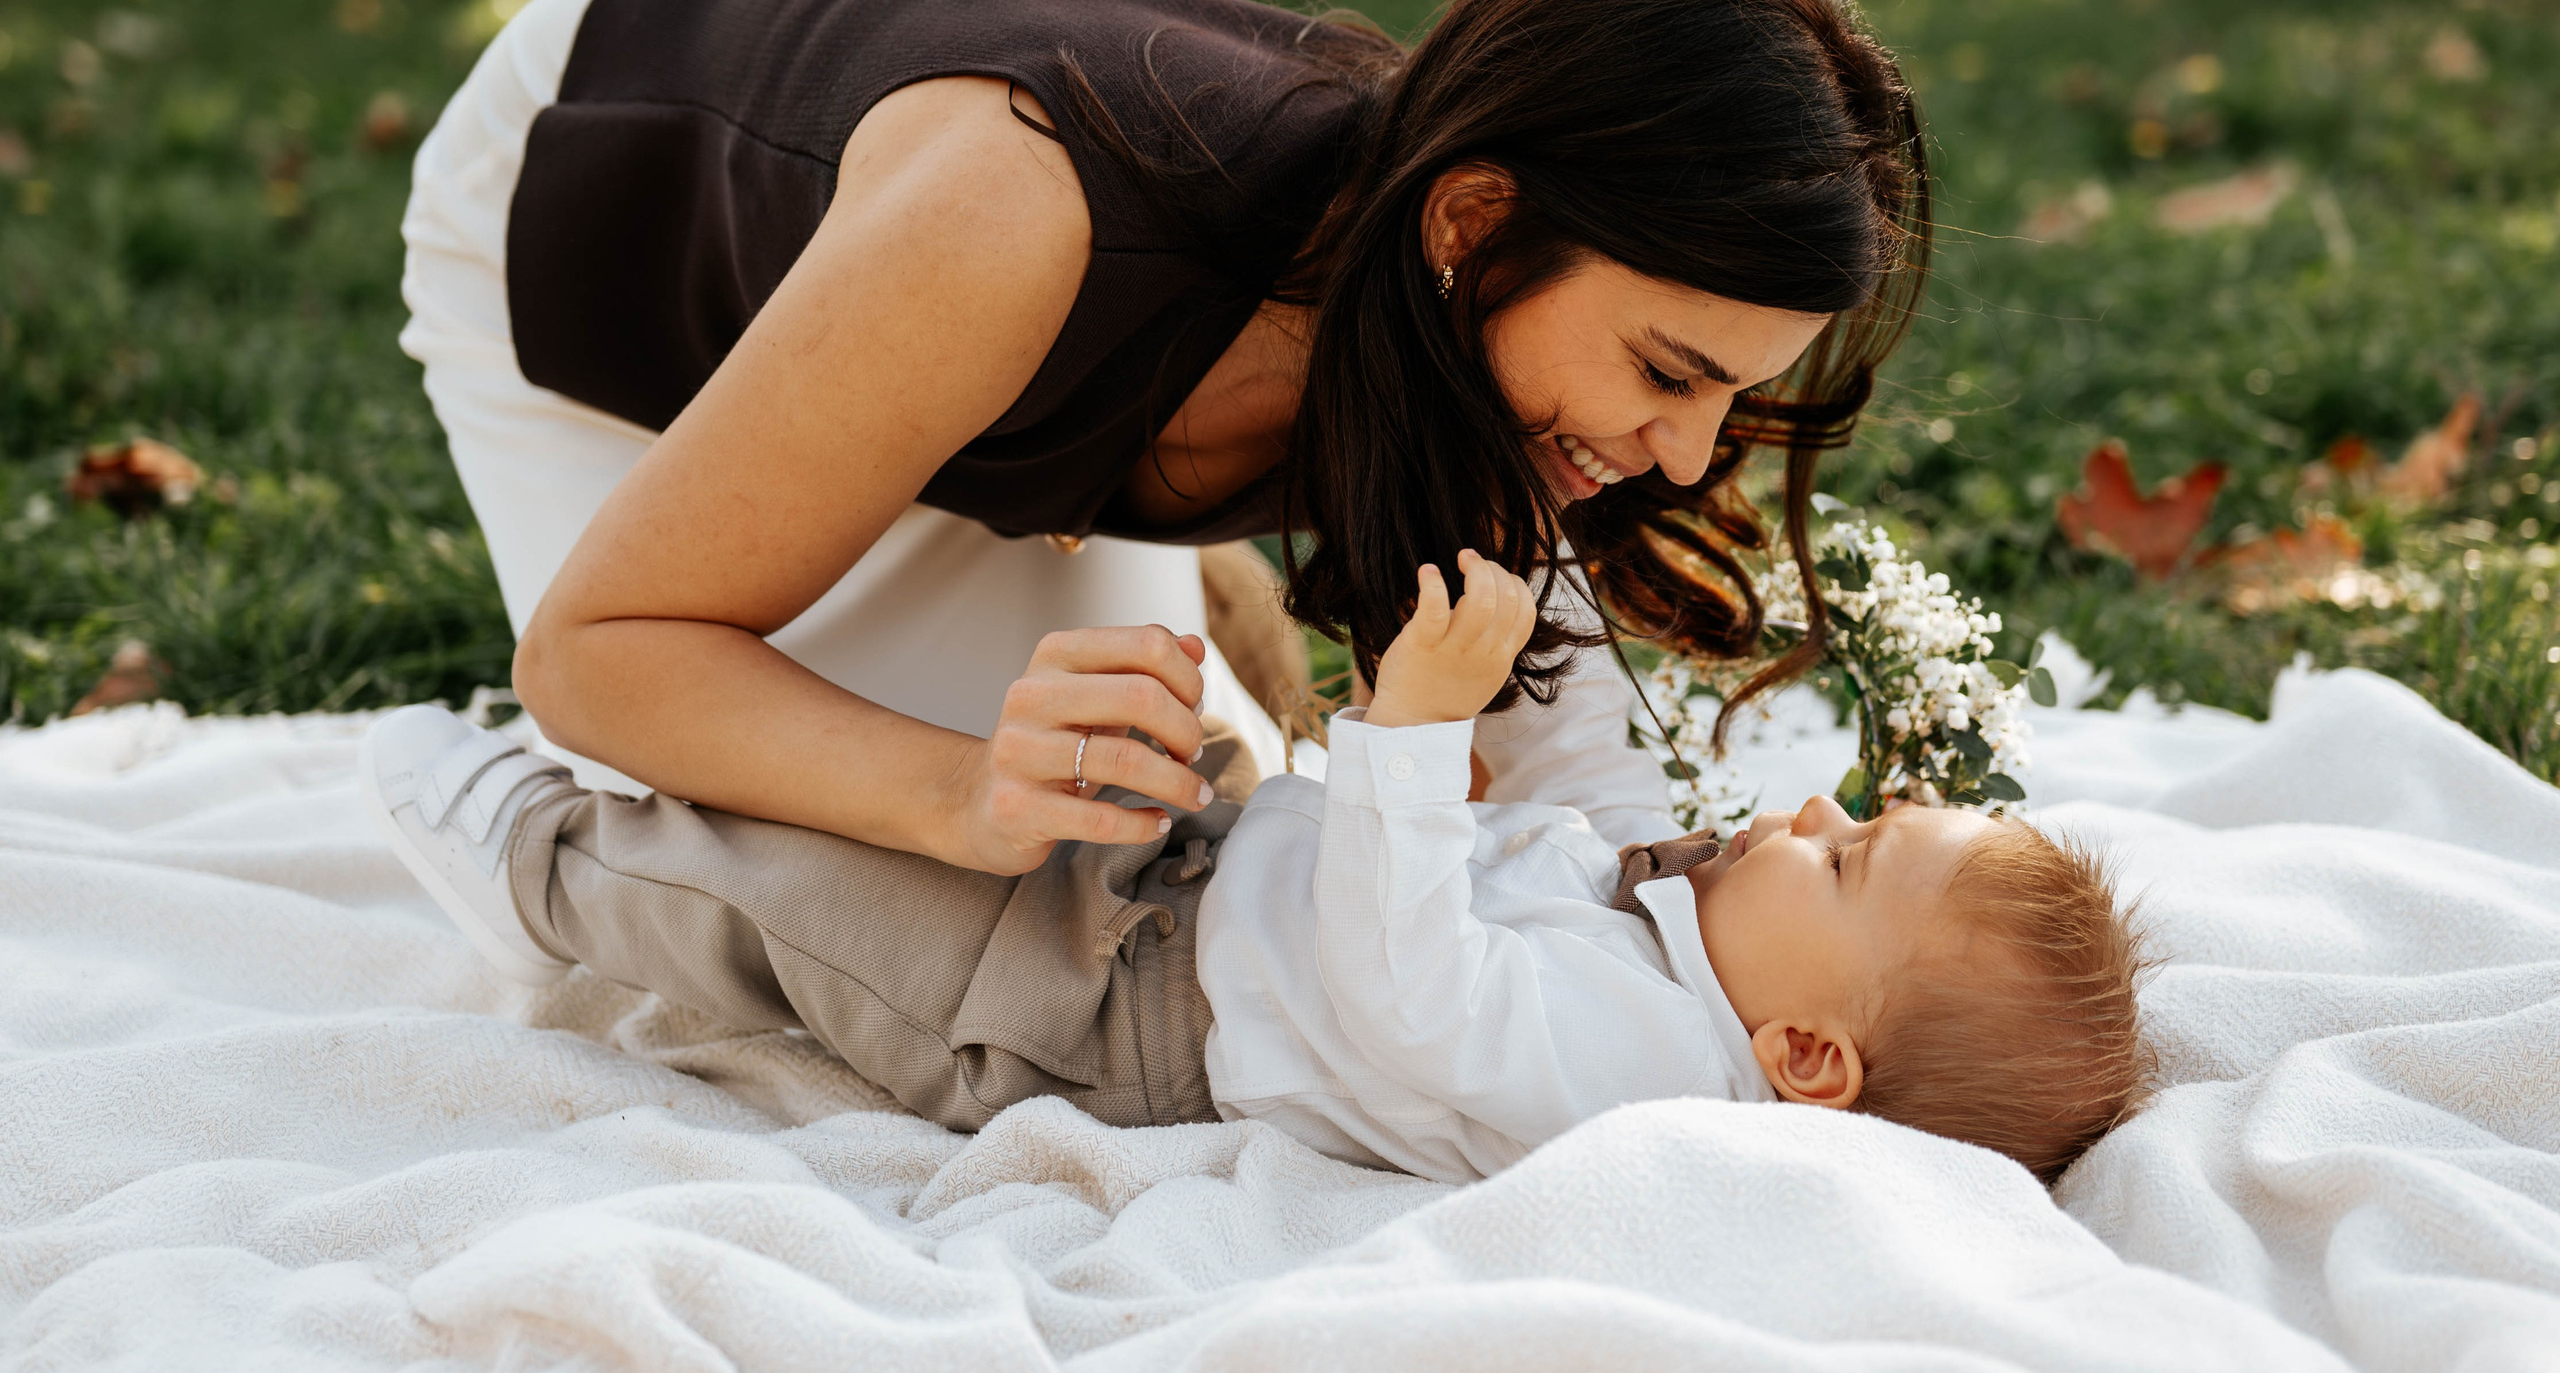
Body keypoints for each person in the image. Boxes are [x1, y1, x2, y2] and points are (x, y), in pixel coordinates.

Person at [396, 0, 1931, 878]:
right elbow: (599, 654)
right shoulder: (1016, 224)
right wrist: (952, 793)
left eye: (1733, 396)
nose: (1680, 457)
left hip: (1003, 309)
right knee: (866, 877)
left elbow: (1579, 777)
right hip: (613, 223)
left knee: (1161, 835)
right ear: (1471, 222)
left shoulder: (1479, 321)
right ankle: (1125, 531)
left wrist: (1717, 907)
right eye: (1669, 372)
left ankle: (1135, 529)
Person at [361, 552, 2151, 1186]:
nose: (1815, 816)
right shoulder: (1698, 964)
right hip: (1204, 872)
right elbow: (1573, 807)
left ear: (1810, 1060)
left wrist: (1397, 748)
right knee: (917, 770)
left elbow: (1412, 991)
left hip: (1104, 1013)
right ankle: (638, 753)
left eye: (1849, 863)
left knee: (781, 912)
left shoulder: (1644, 1079)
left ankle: (519, 844)